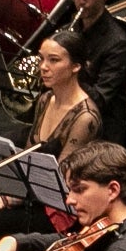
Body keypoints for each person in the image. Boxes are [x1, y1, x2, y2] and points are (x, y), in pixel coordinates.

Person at [55, 0, 126, 136]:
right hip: (65, 115)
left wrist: (66, 74)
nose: (81, 0)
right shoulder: (68, 30)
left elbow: (100, 99)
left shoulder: (118, 43)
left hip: (100, 126)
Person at [18, 32, 106, 164]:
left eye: (53, 60)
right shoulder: (45, 99)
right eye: (41, 58)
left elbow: (63, 173)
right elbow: (29, 153)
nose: (43, 67)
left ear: (75, 66)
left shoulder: (85, 117)